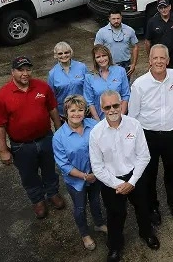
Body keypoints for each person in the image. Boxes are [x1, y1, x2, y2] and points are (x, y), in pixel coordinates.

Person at [0, 55, 65, 219]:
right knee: (28, 175)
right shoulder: (1, 97)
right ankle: (37, 200)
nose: (25, 73)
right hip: (22, 146)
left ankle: (52, 193)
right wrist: (3, 150)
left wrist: (59, 132)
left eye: (28, 69)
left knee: (49, 169)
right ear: (12, 72)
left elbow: (52, 109)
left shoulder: (42, 87)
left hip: (46, 139)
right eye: (20, 70)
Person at [89, 90, 158, 262]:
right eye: (107, 107)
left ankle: (147, 233)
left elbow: (144, 156)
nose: (112, 110)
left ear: (121, 105)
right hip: (111, 181)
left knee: (143, 207)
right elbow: (97, 167)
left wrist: (132, 182)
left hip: (135, 176)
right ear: (101, 108)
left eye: (115, 105)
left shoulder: (134, 125)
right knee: (115, 215)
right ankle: (115, 246)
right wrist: (118, 184)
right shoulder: (96, 133)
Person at [128, 44, 173, 224]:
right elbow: (133, 114)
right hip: (148, 135)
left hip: (171, 133)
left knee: (171, 169)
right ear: (150, 61)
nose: (159, 61)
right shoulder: (139, 85)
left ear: (168, 61)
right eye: (155, 58)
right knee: (150, 172)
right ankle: (152, 206)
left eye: (163, 58)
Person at [52, 95, 106, 251]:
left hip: (96, 176)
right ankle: (84, 234)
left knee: (96, 201)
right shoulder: (59, 137)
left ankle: (99, 224)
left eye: (80, 110)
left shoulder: (94, 125)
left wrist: (97, 172)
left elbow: (104, 146)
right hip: (76, 181)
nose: (77, 114)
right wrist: (85, 176)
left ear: (85, 111)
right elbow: (64, 165)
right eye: (72, 110)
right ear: (65, 112)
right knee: (80, 207)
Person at [83, 45, 131, 120]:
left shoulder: (120, 71)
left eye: (104, 55)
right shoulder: (89, 77)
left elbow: (126, 95)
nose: (102, 59)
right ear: (94, 59)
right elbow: (89, 102)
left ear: (109, 56)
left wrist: (121, 116)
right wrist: (98, 122)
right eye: (98, 57)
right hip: (100, 118)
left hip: (119, 117)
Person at [47, 41, 88, 118]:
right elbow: (52, 96)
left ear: (71, 53)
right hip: (64, 114)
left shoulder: (82, 67)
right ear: (56, 55)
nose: (64, 55)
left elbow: (88, 88)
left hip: (82, 111)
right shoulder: (52, 73)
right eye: (60, 53)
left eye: (66, 52)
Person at [94, 9, 139, 78]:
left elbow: (135, 46)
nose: (116, 21)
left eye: (118, 18)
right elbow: (96, 50)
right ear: (109, 19)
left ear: (121, 18)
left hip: (126, 64)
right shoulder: (101, 32)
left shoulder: (129, 30)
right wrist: (99, 66)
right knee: (111, 86)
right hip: (109, 64)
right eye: (113, 19)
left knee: (125, 84)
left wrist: (134, 64)